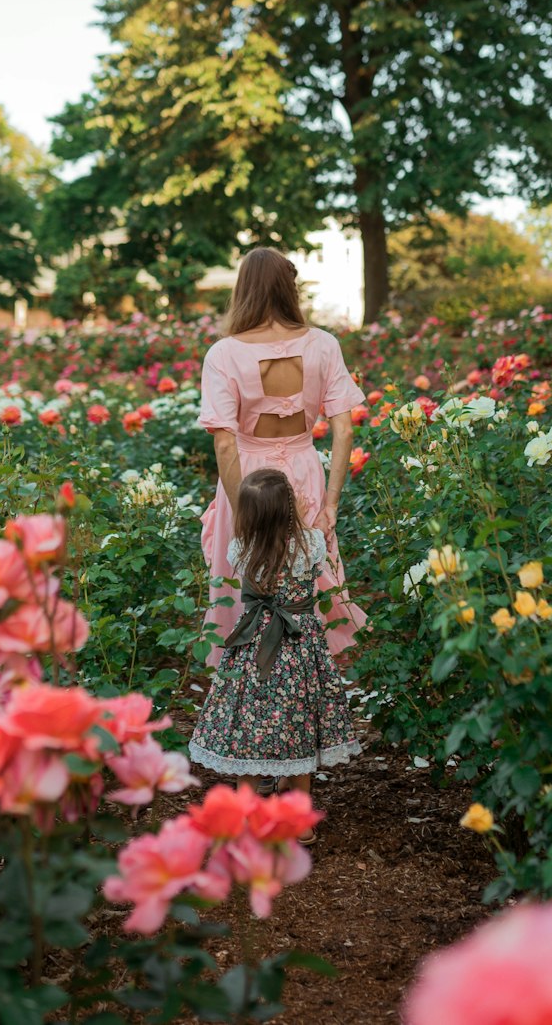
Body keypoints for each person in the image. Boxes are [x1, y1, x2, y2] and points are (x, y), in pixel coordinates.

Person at [198, 246, 368, 666]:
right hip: (304, 472)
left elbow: (224, 442)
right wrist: (330, 503)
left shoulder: (224, 354)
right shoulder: (324, 345)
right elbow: (344, 428)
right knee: (309, 583)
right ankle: (309, 683)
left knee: (243, 584)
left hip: (248, 479)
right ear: (290, 288)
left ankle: (247, 692)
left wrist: (240, 513)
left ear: (243, 290)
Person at [189, 467, 362, 812]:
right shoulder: (311, 544)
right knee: (298, 721)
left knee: (249, 720)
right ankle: (298, 817)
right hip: (299, 648)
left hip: (253, 649)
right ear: (289, 508)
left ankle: (246, 813)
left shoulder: (240, 548)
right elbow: (319, 535)